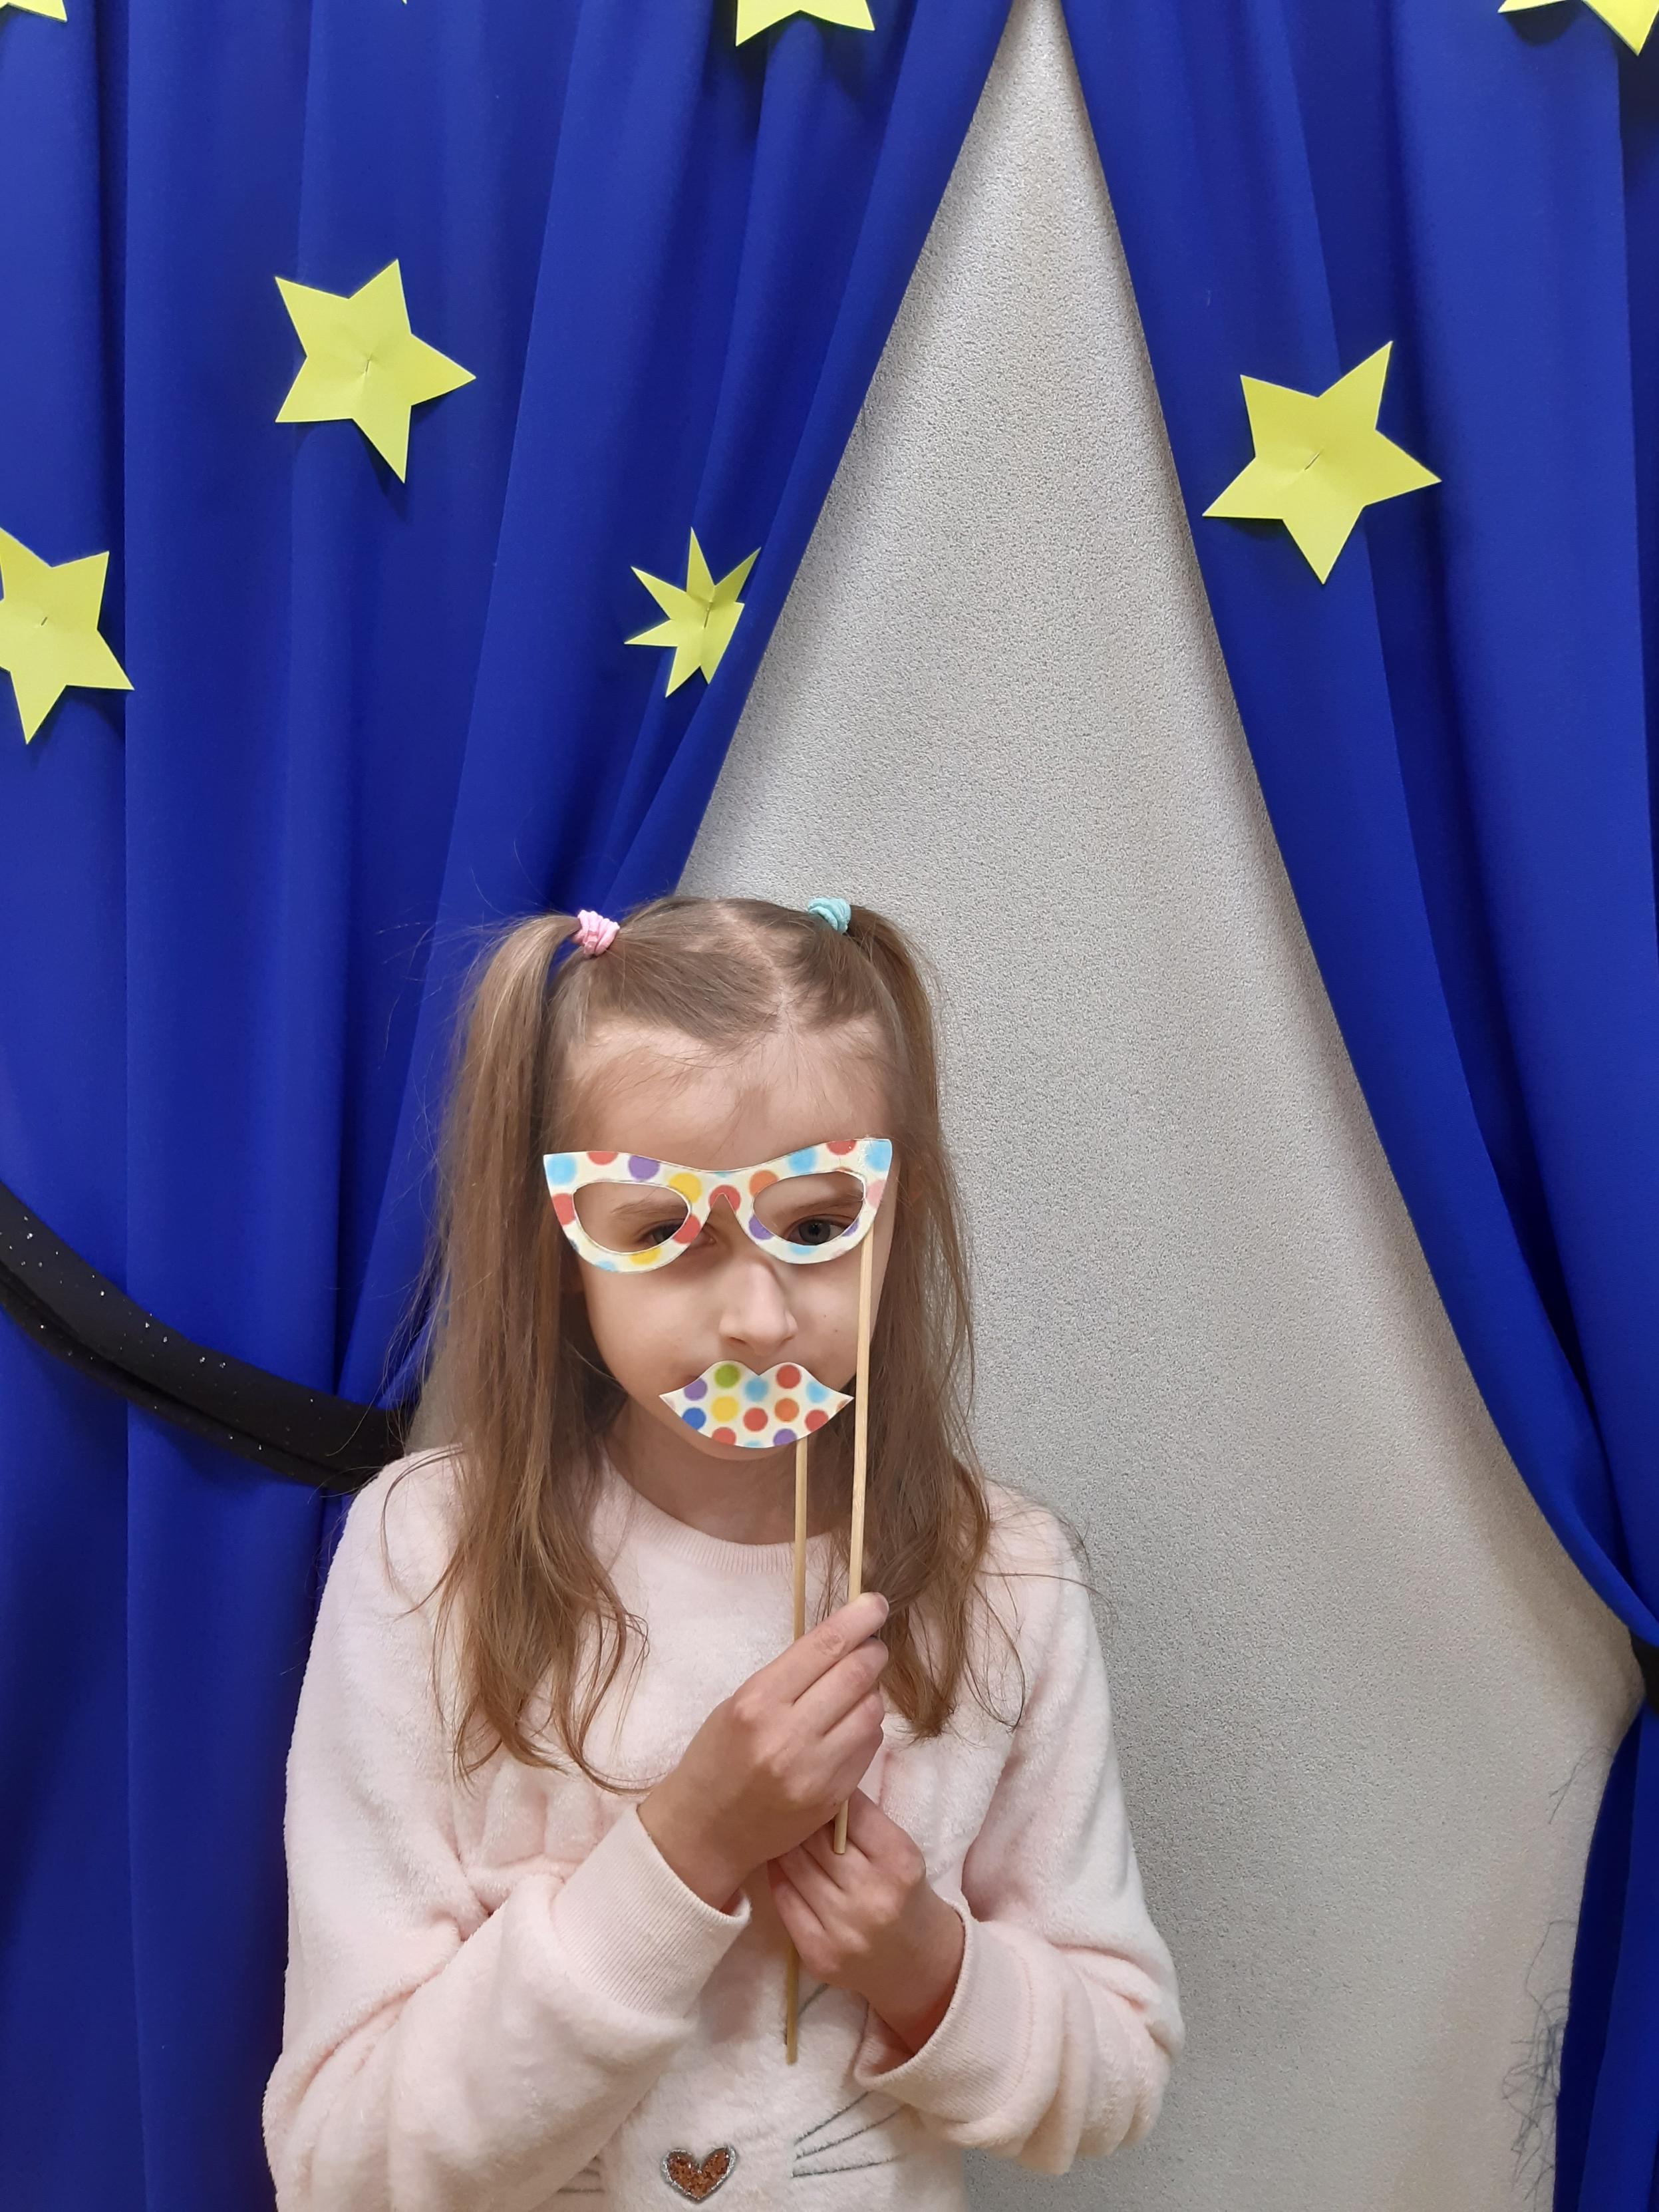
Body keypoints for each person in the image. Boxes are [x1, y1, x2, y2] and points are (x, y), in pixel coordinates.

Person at [261, 893, 1183, 2211]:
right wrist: (684, 1848)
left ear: (896, 1217)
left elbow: (1117, 2071)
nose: (756, 1317)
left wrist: (923, 1962)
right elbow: (339, 2163)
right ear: (559, 1243)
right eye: (657, 1232)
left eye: (814, 1225)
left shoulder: (1003, 1583)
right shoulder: (432, 1557)